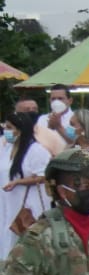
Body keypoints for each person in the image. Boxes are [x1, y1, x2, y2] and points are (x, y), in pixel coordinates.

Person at [1, 111, 52, 259]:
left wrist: (18, 182)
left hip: (28, 205)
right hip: (8, 203)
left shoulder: (36, 150)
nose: (6, 131)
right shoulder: (7, 148)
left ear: (20, 129)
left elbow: (43, 176)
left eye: (10, 127)